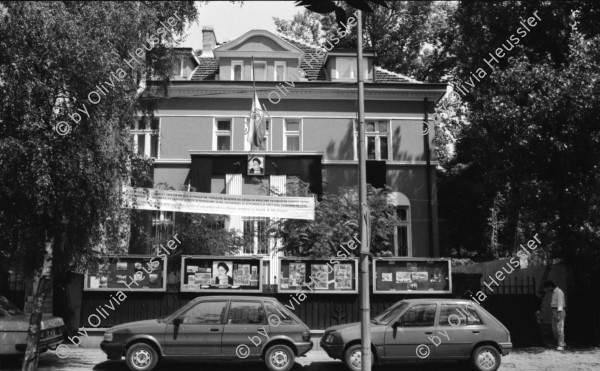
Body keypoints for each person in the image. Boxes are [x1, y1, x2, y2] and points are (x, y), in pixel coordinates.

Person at [544, 280, 566, 351]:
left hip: (558, 311)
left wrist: (558, 313)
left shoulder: (559, 292)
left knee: (559, 329)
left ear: (550, 286)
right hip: (554, 311)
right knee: (554, 329)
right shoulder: (553, 292)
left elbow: (560, 303)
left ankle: (561, 345)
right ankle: (561, 343)